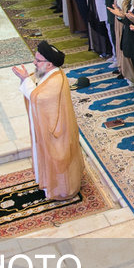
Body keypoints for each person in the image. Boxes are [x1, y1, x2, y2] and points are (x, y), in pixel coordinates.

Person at [12, 41, 83, 200]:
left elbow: (38, 97)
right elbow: (36, 83)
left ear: (49, 64)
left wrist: (25, 79)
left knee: (58, 158)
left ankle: (61, 190)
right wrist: (26, 78)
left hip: (55, 132)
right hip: (48, 126)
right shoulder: (49, 72)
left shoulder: (56, 81)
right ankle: (48, 183)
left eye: (38, 61)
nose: (34, 63)